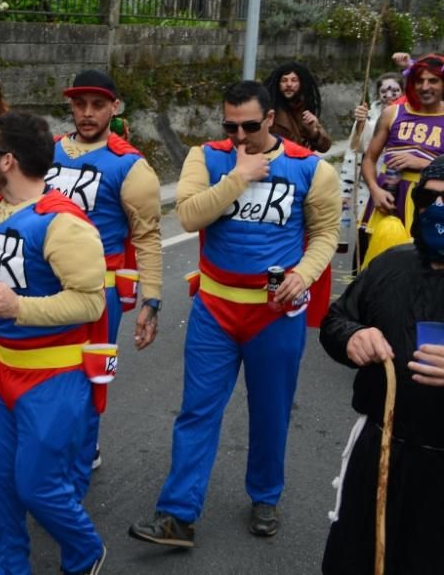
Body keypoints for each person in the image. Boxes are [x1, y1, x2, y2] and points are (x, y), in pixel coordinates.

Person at [129, 80, 340, 547]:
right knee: (197, 411)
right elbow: (187, 216)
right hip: (216, 310)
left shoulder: (311, 170)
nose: (239, 136)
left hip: (274, 313)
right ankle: (177, 514)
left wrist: (303, 274)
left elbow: (325, 234)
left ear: (269, 119)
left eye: (249, 126)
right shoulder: (207, 158)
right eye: (230, 125)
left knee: (271, 411)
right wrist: (239, 175)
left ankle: (265, 495)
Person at [0, 111, 107, 575]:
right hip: (0, 371)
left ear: (8, 160)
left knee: (36, 486)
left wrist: (19, 309)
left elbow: (91, 305)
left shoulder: (64, 224)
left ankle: (85, 551)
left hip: (53, 376)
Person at [318, 155, 444, 575]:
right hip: (381, 449)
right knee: (357, 558)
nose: (440, 213)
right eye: (432, 199)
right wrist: (352, 335)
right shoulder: (390, 265)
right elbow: (336, 320)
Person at [46, 70, 163, 476]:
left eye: (98, 105)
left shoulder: (130, 166)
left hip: (101, 290)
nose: (87, 113)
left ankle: (84, 449)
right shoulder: (47, 150)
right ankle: (57, 443)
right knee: (49, 372)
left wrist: (152, 300)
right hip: (46, 284)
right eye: (80, 104)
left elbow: (147, 238)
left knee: (89, 374)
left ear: (115, 108)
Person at [361, 54, 444, 265]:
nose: (425, 87)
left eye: (433, 80)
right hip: (388, 201)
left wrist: (424, 164)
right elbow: (369, 159)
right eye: (419, 81)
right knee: (380, 266)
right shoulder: (392, 113)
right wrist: (374, 189)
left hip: (432, 205)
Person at [340, 73, 403, 266]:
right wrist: (360, 123)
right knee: (365, 239)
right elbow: (356, 151)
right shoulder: (369, 117)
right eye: (384, 90)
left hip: (400, 190)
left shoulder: (407, 116)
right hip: (369, 190)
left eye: (395, 90)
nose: (389, 94)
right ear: (378, 94)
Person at [264, 62, 332, 153]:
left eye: (294, 80)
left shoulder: (306, 108)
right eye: (284, 80)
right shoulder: (269, 111)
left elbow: (325, 147)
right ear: (278, 84)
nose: (289, 84)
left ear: (301, 83)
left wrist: (314, 132)